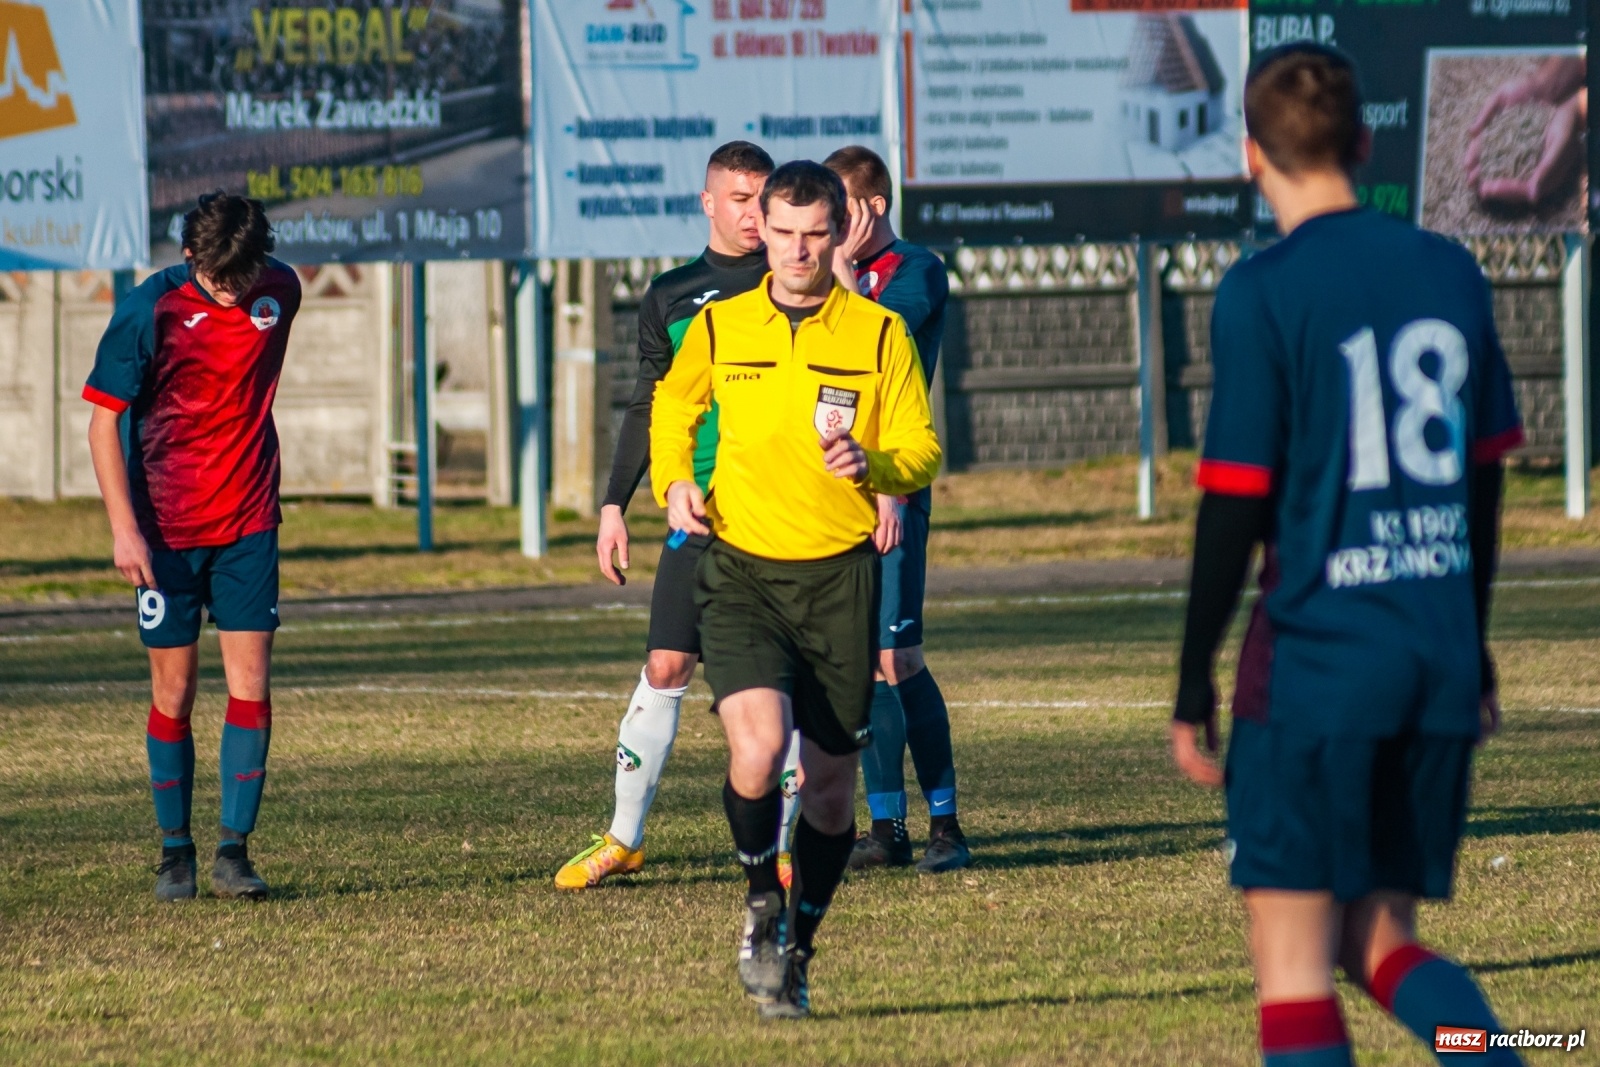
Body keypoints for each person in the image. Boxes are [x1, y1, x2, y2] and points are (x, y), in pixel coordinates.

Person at [1172, 45, 1526, 1067]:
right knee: (1375, 938)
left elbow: (1233, 505)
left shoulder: (1263, 289)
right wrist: (1474, 639)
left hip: (1318, 663)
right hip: (1432, 656)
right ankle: (1495, 1054)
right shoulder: (1448, 268)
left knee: (1288, 957)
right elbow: (1487, 476)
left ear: (1250, 155)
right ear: (1364, 145)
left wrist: (1191, 678)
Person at [651, 161, 941, 1018]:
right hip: (741, 570)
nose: (799, 250)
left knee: (827, 789)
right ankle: (757, 900)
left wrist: (876, 463)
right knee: (756, 747)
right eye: (784, 232)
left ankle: (799, 948)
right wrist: (672, 480)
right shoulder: (721, 325)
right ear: (762, 231)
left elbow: (923, 449)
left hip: (840, 577)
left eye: (816, 233)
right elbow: (673, 409)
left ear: (840, 227)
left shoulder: (878, 333)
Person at [554, 141, 777, 890]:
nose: (754, 213)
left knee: (784, 682)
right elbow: (649, 403)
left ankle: (783, 846)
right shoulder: (673, 293)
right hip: (697, 510)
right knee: (665, 664)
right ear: (709, 202)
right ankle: (623, 837)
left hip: (779, 513)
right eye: (739, 198)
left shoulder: (794, 283)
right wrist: (613, 504)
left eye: (763, 197)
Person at [84, 192, 302, 902]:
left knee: (252, 684)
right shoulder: (148, 311)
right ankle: (173, 852)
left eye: (245, 275)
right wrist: (124, 528)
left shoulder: (281, 290)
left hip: (248, 520)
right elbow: (101, 424)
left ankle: (233, 853)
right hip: (166, 530)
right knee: (173, 690)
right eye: (219, 280)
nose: (236, 292)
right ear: (189, 259)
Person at [818, 144, 968, 874]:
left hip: (894, 483)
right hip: (828, 490)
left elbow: (891, 343)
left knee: (897, 654)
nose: (825, 226)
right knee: (860, 665)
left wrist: (844, 286)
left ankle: (947, 826)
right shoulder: (817, 278)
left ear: (872, 208)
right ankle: (886, 828)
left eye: (838, 210)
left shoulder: (917, 270)